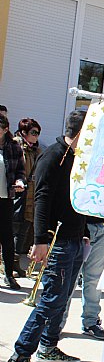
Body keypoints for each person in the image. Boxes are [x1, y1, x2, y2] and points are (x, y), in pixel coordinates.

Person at [5, 110, 86, 362]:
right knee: (50, 300)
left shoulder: (77, 157)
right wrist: (40, 241)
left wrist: (83, 230)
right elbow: (41, 199)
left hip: (75, 237)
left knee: (62, 299)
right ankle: (20, 355)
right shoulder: (53, 156)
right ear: (79, 131)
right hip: (57, 240)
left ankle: (49, 346)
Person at [12, 118, 41, 278]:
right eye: (33, 133)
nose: (36, 136)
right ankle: (9, 264)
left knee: (23, 231)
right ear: (24, 132)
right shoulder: (16, 146)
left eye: (38, 133)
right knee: (13, 230)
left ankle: (15, 262)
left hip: (31, 197)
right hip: (17, 195)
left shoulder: (36, 151)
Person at [0, 114, 26, 288]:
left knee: (7, 238)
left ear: (5, 130)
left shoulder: (14, 147)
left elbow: (20, 172)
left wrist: (20, 182)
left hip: (5, 198)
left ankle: (8, 274)